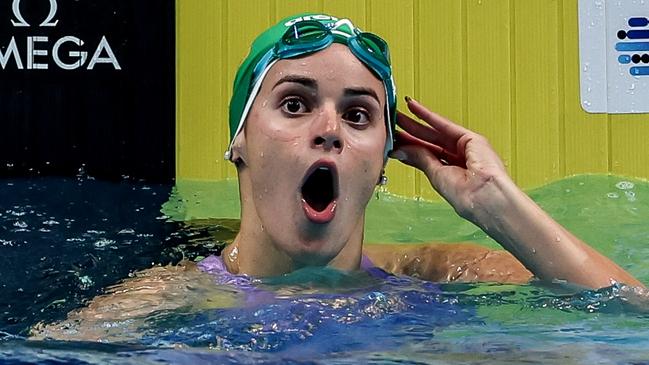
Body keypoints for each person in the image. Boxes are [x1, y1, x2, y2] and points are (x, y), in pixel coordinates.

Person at [31, 12, 645, 342]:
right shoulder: (160, 301)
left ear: (380, 163)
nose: (329, 129)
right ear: (238, 140)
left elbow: (631, 318)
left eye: (358, 114)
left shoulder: (442, 271)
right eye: (295, 104)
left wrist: (496, 205)